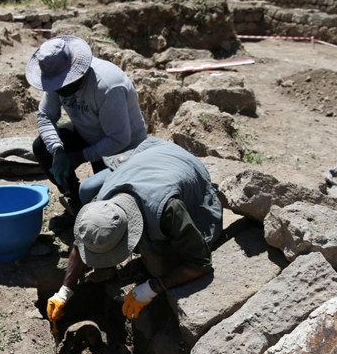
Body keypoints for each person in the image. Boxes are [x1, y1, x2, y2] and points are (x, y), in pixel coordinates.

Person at [46, 137, 223, 321]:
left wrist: (152, 287)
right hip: (150, 157)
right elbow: (81, 242)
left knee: (160, 266)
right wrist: (65, 291)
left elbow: (200, 263)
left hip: (184, 165)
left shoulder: (168, 210)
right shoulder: (102, 204)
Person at [25, 35, 147, 222]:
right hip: (88, 134)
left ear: (75, 71)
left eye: (63, 84)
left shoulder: (108, 85)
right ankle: (75, 202)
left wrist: (79, 156)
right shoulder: (57, 79)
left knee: (105, 202)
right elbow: (45, 116)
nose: (59, 90)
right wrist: (57, 150)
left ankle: (91, 203)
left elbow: (119, 138)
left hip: (124, 150)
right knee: (42, 147)